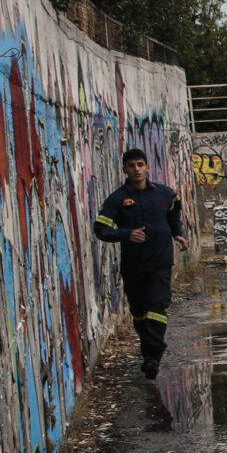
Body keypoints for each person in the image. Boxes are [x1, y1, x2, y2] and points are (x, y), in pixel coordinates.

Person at [92, 146, 185, 379]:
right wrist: (126, 233)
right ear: (124, 169)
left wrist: (178, 232)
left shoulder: (164, 194)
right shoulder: (118, 199)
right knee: (140, 314)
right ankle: (149, 356)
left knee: (157, 307)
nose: (136, 169)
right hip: (133, 266)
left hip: (161, 262)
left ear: (147, 167)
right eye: (131, 165)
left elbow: (174, 211)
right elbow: (101, 229)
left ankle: (154, 354)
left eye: (140, 164)